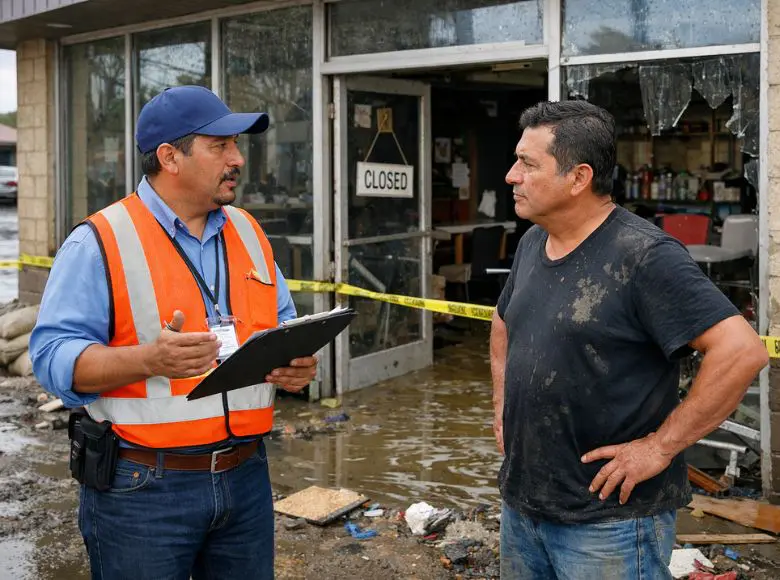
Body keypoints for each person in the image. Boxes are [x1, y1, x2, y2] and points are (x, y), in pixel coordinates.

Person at [30, 85, 318, 580]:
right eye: (220, 145)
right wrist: (147, 360)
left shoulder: (249, 231)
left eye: (236, 145)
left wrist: (295, 365)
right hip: (141, 489)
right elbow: (52, 361)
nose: (238, 159)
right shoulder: (100, 240)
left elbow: (283, 323)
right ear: (170, 157)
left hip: (246, 476)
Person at [490, 100, 768, 580]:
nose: (512, 176)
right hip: (524, 506)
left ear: (578, 178)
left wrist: (659, 448)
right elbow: (503, 322)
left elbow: (742, 351)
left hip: (609, 523)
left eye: (528, 164)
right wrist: (503, 406)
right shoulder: (536, 240)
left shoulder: (645, 256)